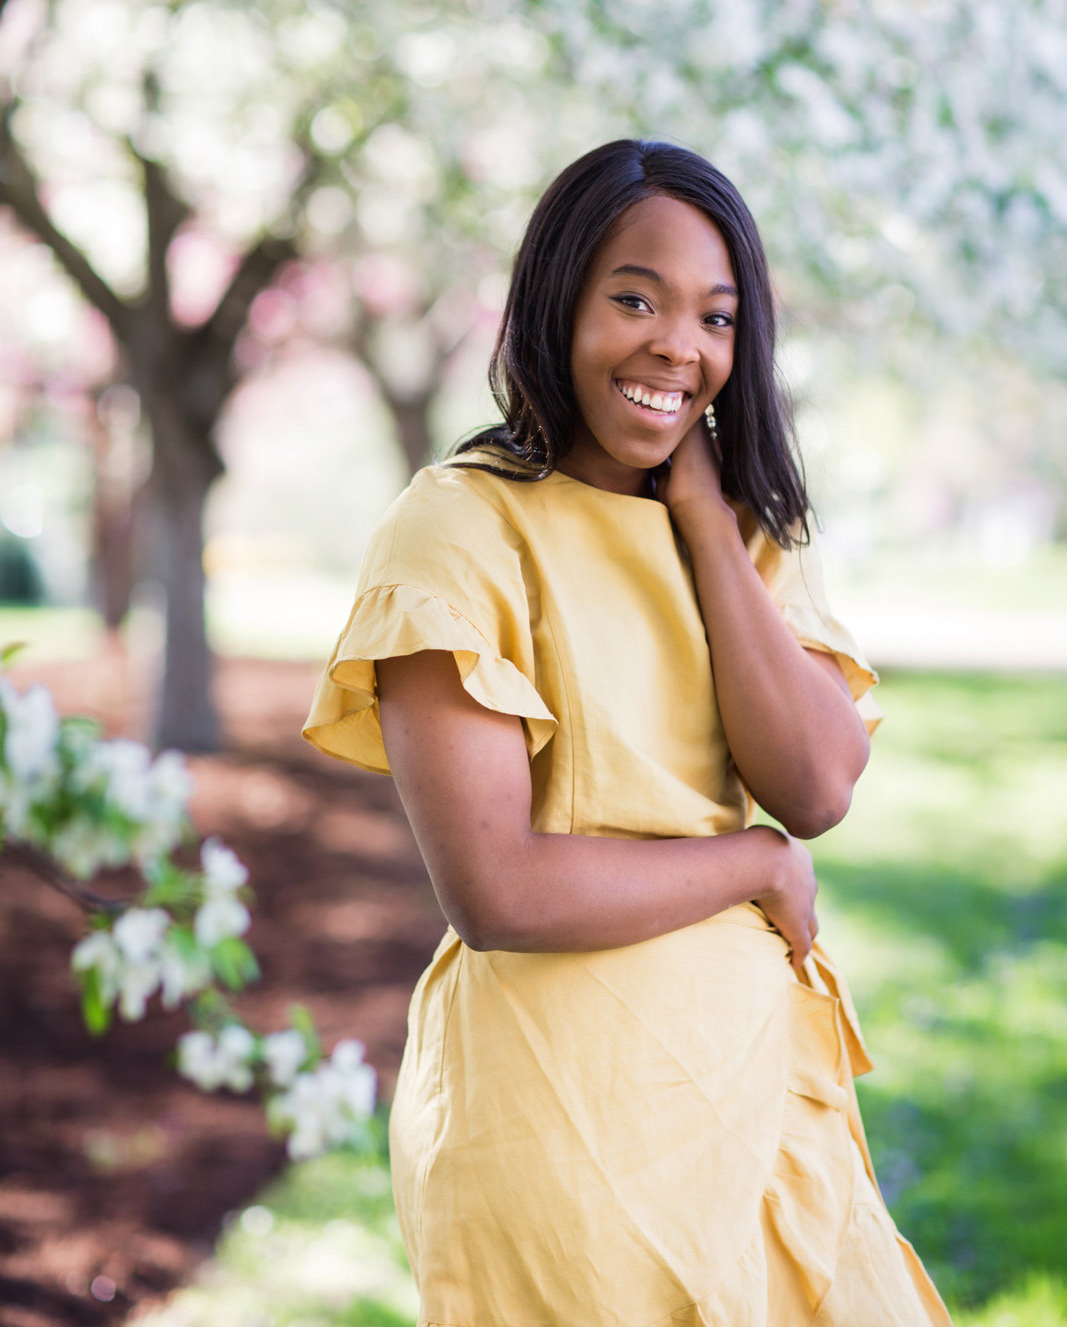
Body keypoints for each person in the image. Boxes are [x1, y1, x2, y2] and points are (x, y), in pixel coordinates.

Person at [303, 140, 953, 1326]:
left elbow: (812, 782)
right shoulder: (457, 528)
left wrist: (702, 519)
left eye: (714, 317)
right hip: (563, 1126)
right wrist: (750, 864)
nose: (676, 346)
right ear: (556, 301)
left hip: (755, 1097)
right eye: (634, 298)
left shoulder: (745, 535)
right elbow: (495, 887)